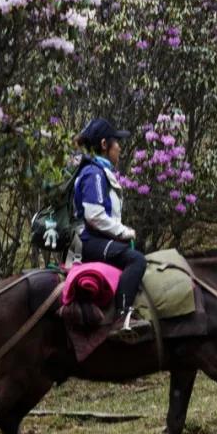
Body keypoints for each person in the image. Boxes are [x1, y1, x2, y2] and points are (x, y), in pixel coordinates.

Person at [73, 117, 145, 328]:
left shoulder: (98, 171)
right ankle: (122, 318)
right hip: (87, 240)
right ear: (104, 145)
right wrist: (124, 232)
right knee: (137, 261)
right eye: (116, 142)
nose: (120, 148)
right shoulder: (93, 173)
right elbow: (94, 215)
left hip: (95, 238)